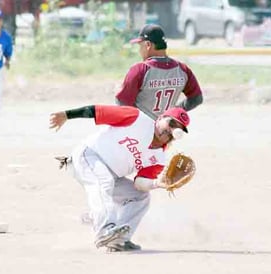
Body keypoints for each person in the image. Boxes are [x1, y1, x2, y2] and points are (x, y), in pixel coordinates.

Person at [49, 105, 190, 252]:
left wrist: (157, 183)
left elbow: (139, 184)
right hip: (87, 155)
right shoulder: (137, 118)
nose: (171, 130)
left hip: (111, 175)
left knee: (140, 196)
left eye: (177, 129)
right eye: (171, 123)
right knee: (104, 181)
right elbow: (96, 111)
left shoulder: (159, 158)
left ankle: (118, 240)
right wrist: (66, 115)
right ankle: (104, 230)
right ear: (161, 118)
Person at [115, 24, 203, 120]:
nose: (140, 51)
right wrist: (175, 111)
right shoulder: (182, 69)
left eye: (140, 46)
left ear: (148, 45)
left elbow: (122, 103)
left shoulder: (140, 70)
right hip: (165, 131)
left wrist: (120, 90)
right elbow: (196, 98)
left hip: (142, 131)